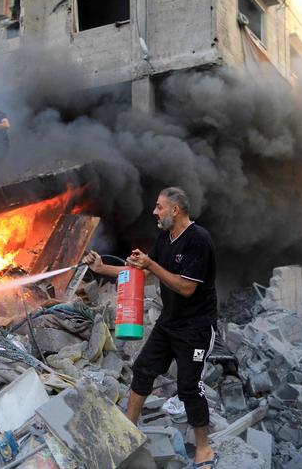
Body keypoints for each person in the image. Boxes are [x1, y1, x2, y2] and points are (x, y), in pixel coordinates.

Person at [82, 187, 219, 469]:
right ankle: (128, 430)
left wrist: (151, 264)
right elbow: (139, 273)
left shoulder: (198, 240)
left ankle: (204, 449)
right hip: (169, 323)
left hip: (196, 328)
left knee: (189, 387)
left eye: (159, 207)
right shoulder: (165, 238)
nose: (154, 212)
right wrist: (101, 268)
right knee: (143, 369)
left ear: (175, 210)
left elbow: (186, 287)